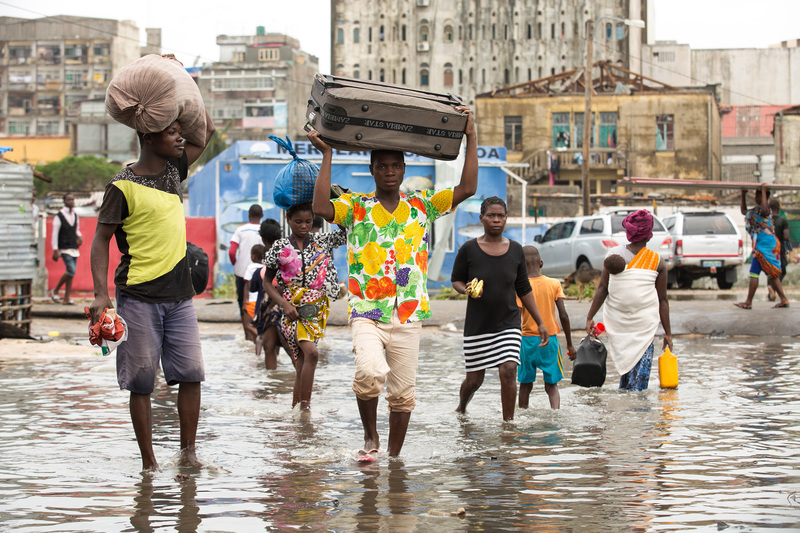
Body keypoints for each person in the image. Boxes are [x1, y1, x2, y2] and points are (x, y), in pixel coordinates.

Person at [309, 105, 478, 458]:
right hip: (367, 309)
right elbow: (321, 208)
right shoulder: (356, 207)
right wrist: (327, 155)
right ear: (372, 170)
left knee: (403, 393)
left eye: (395, 166)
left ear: (404, 169)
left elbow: (467, 187)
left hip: (409, 312)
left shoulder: (423, 206)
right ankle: (371, 438)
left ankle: (393, 458)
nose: (389, 172)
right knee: (370, 372)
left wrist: (470, 135)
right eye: (382, 166)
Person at [89, 114, 215, 472]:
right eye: (172, 132)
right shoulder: (121, 186)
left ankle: (189, 455)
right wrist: (101, 294)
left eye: (179, 132)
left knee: (191, 374)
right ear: (148, 137)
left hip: (180, 297)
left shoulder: (174, 172)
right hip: (138, 297)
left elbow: (206, 132)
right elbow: (100, 240)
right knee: (142, 382)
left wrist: (181, 80)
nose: (180, 139)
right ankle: (149, 464)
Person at [451, 197, 550, 421]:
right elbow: (456, 279)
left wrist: (540, 322)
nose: (496, 220)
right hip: (478, 325)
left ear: (506, 218)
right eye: (491, 216)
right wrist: (465, 288)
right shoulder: (469, 249)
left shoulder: (515, 250)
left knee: (508, 370)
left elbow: (524, 288)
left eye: (501, 216)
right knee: (475, 381)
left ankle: (508, 425)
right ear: (482, 219)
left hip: (508, 322)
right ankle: (462, 407)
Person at [263, 203, 346, 412]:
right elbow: (267, 281)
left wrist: (336, 202)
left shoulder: (322, 242)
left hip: (317, 310)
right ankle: (306, 409)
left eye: (308, 221)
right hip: (292, 309)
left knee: (301, 362)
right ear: (288, 220)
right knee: (312, 354)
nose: (304, 226)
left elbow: (347, 232)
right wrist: (283, 303)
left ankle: (297, 412)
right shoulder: (280, 247)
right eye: (298, 221)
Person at [585, 209, 673, 391]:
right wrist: (668, 333)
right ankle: (637, 416)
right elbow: (662, 300)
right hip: (645, 328)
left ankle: (626, 414)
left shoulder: (613, 256)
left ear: (628, 232)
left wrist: (590, 316)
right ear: (649, 235)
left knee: (626, 379)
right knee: (638, 387)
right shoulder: (657, 261)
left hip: (619, 325)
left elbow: (603, 289)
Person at [517, 245, 575, 410]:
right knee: (552, 386)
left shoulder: (519, 287)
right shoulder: (554, 283)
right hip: (550, 340)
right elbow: (563, 316)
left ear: (520, 265)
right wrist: (570, 344)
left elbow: (515, 317)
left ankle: (522, 415)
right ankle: (555, 413)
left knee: (525, 385)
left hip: (527, 341)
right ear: (541, 263)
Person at [734, 184, 790, 309]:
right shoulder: (755, 211)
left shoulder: (767, 210)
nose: (755, 198)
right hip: (762, 245)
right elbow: (744, 211)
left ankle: (748, 302)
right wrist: (743, 194)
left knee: (754, 272)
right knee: (772, 275)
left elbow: (764, 210)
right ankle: (784, 299)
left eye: (758, 195)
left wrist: (764, 191)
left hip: (765, 246)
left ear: (764, 197)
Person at [230, 204, 264, 341]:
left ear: (249, 215)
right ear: (261, 216)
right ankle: (261, 332)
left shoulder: (240, 230)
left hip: (242, 272)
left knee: (243, 303)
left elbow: (232, 251)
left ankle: (248, 334)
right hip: (262, 272)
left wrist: (236, 264)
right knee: (262, 300)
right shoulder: (264, 230)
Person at [252, 219, 283, 368]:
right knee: (288, 348)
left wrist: (271, 306)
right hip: (286, 305)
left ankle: (272, 383)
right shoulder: (288, 251)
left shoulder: (272, 257)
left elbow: (276, 285)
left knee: (269, 347)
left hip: (273, 307)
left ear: (263, 239)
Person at [50, 193, 83, 305]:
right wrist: (55, 249)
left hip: (74, 247)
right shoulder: (59, 216)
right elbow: (55, 233)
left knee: (71, 274)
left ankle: (66, 298)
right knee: (71, 270)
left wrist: (79, 236)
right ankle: (55, 290)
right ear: (64, 201)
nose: (71, 201)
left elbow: (76, 229)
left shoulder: (75, 215)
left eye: (73, 199)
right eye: (69, 199)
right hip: (64, 248)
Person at [768, 197, 792, 302]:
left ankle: (770, 292)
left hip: (768, 249)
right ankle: (772, 287)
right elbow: (786, 237)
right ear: (778, 208)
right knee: (783, 270)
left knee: (770, 270)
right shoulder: (782, 221)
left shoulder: (767, 221)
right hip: (779, 249)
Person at [242, 244, 266, 342]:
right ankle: (258, 344)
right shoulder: (264, 268)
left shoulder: (250, 268)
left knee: (248, 325)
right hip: (262, 301)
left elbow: (247, 285)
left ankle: (261, 338)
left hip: (251, 301)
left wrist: (244, 302)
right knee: (259, 324)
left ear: (253, 256)